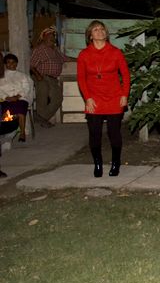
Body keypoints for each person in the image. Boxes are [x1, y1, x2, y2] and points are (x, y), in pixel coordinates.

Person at [77, 20, 131, 178]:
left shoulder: (116, 52)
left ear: (106, 33)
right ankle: (98, 164)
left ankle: (116, 163)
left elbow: (126, 75)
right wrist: (87, 98)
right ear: (90, 35)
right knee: (94, 134)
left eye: (102, 29)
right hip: (94, 99)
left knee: (114, 134)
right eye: (95, 29)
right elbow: (81, 79)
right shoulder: (84, 54)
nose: (100, 31)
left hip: (114, 98)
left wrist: (124, 95)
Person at [29, 25, 70, 127]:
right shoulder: (39, 49)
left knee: (58, 99)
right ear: (44, 37)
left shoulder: (56, 50)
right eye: (49, 36)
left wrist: (81, 58)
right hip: (41, 76)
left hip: (53, 79)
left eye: (53, 36)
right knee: (43, 94)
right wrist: (38, 76)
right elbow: (32, 65)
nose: (52, 38)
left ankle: (41, 117)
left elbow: (66, 59)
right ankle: (43, 119)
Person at [0, 54, 34, 142]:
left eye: (13, 62)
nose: (11, 64)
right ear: (5, 64)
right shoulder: (1, 76)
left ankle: (22, 133)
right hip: (6, 99)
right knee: (6, 113)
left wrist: (17, 96)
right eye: (8, 62)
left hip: (20, 98)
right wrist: (7, 97)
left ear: (16, 63)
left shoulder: (23, 76)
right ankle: (8, 132)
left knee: (20, 110)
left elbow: (26, 88)